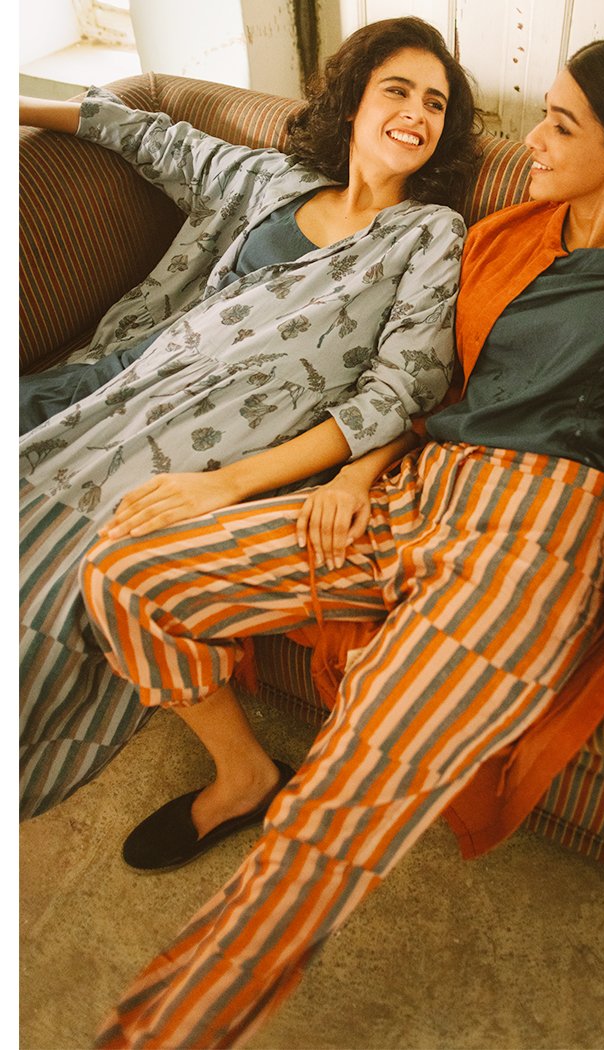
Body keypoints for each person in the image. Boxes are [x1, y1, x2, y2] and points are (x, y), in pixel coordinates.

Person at [81, 37, 604, 1048]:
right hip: (415, 494)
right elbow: (431, 382)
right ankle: (243, 776)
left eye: (561, 124)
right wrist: (355, 475)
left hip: (533, 542)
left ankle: (158, 1032)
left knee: (339, 809)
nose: (532, 142)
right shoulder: (504, 237)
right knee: (126, 571)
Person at [19, 16, 483, 819]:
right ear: (353, 105)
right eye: (398, 91)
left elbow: (401, 390)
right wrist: (16, 103)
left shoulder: (428, 234)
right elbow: (151, 135)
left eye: (435, 104)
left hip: (222, 437)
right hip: (120, 377)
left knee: (45, 592)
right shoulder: (273, 181)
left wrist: (226, 486)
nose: (417, 112)